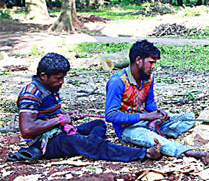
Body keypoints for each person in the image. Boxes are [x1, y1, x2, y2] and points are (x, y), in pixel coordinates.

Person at [8, 53, 161, 163]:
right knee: (88, 143)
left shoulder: (49, 88)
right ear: (43, 76)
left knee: (98, 124)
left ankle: (89, 145)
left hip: (58, 132)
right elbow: (27, 130)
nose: (62, 82)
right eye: (58, 78)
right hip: (44, 142)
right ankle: (144, 154)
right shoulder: (31, 93)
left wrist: (66, 115)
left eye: (63, 77)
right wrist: (60, 120)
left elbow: (47, 114)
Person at [105, 40, 209, 164]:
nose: (153, 66)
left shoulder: (148, 78)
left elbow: (150, 103)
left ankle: (162, 131)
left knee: (188, 118)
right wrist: (146, 116)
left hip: (147, 122)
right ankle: (192, 153)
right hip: (128, 129)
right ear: (138, 60)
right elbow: (111, 115)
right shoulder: (117, 82)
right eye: (151, 62)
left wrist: (158, 113)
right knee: (155, 140)